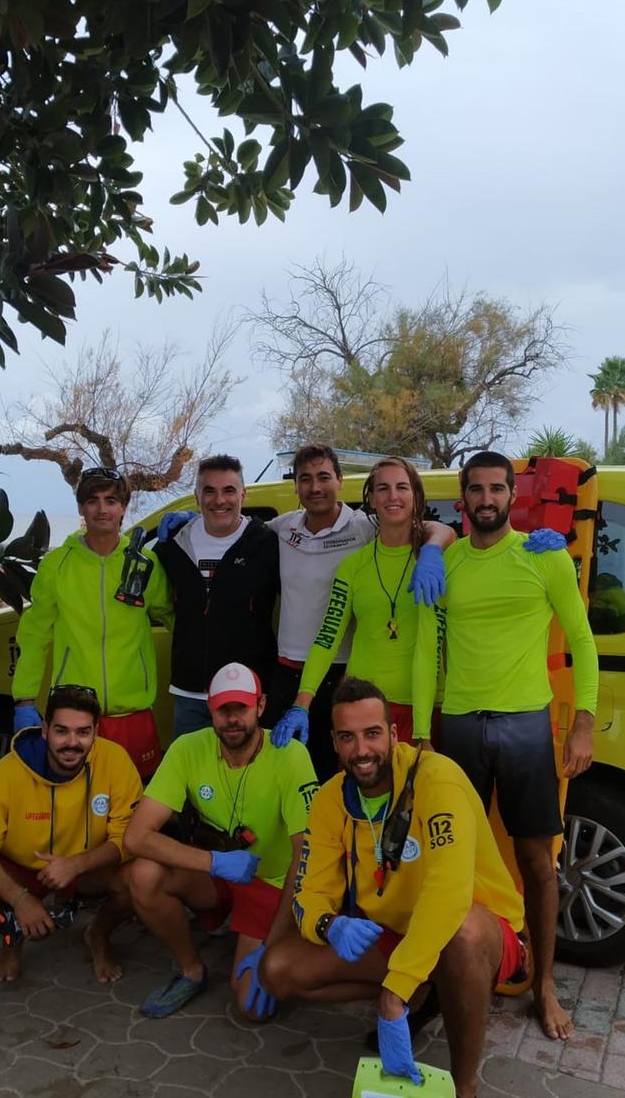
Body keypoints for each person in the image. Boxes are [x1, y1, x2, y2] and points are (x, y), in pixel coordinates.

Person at [260, 677, 525, 1098]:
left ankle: (465, 1095)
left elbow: (449, 891)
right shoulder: (329, 800)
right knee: (276, 970)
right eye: (347, 737)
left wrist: (394, 985)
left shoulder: (436, 779)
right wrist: (327, 925)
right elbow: (309, 893)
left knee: (460, 936)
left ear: (394, 734)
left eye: (372, 733)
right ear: (334, 743)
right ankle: (428, 992)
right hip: (397, 933)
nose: (362, 750)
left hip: (484, 927)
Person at [413, 451, 599, 1042]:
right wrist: (421, 734)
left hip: (524, 726)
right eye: (476, 489)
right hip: (461, 726)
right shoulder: (445, 564)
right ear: (462, 497)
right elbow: (425, 653)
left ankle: (544, 986)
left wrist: (584, 723)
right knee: (450, 859)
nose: (486, 499)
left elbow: (582, 641)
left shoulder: (543, 558)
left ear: (511, 495)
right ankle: (449, 975)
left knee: (537, 864)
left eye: (497, 489)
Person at [124, 662, 318, 1019]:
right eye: (222, 709)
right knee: (143, 875)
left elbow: (306, 856)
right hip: (217, 871)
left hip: (271, 882)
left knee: (251, 1008)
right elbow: (136, 836)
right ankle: (190, 971)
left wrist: (273, 940)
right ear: (209, 709)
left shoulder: (290, 755)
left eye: (241, 708)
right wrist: (214, 863)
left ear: (260, 706)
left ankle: (288, 943)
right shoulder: (187, 748)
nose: (232, 719)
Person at [265, 444, 452, 778]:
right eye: (382, 488)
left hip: (418, 707)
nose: (392, 496)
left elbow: (428, 646)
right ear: (371, 498)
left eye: (402, 487)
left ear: (416, 496)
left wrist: (422, 733)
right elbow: (327, 636)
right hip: (360, 709)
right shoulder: (353, 565)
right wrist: (301, 705)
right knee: (356, 809)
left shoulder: (434, 561)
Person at [0, 684, 141, 984]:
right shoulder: (6, 773)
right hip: (20, 871)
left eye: (83, 732)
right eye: (62, 731)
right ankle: (13, 931)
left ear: (96, 732)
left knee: (142, 879)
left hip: (84, 867)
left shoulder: (115, 760)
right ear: (45, 730)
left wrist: (75, 865)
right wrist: (20, 899)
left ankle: (98, 934)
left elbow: (129, 836)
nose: (72, 742)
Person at [11, 466, 173, 782]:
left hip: (133, 714)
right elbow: (34, 634)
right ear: (81, 507)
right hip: (76, 718)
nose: (102, 509)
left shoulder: (144, 563)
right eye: (93, 500)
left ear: (124, 507)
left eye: (111, 500)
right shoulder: (57, 565)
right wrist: (24, 699)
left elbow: (175, 617)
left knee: (133, 813)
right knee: (77, 812)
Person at [152, 455, 280, 740]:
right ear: (197, 495)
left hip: (248, 691)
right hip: (190, 693)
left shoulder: (267, 543)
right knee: (191, 779)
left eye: (229, 490)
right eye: (209, 490)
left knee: (246, 779)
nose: (219, 500)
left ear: (243, 495)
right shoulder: (172, 545)